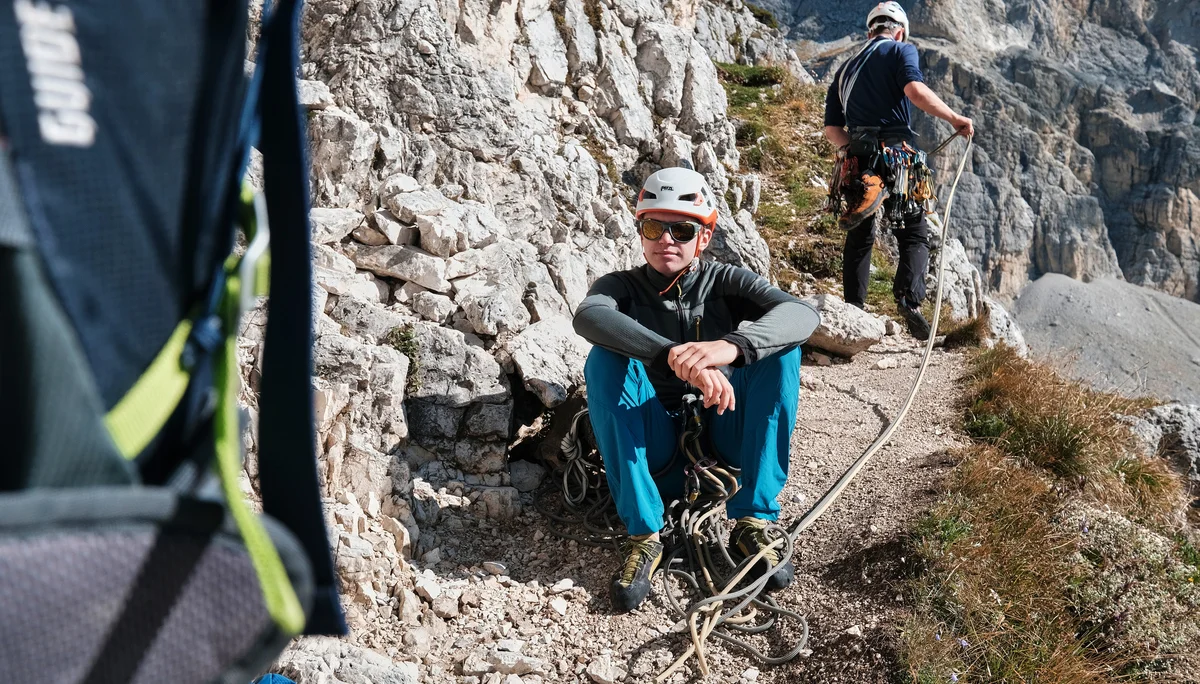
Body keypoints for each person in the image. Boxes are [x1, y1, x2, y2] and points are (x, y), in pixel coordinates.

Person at [572, 167, 821, 612]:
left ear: (703, 237)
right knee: (604, 358)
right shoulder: (620, 288)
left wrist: (730, 347)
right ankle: (645, 534)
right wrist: (673, 356)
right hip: (658, 447)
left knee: (782, 351)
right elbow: (589, 316)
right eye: (653, 226)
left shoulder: (725, 282)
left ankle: (752, 519)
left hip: (724, 439)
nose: (666, 239)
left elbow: (800, 316)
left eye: (682, 229)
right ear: (640, 231)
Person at [823, 1, 975, 340]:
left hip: (859, 155)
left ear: (869, 31)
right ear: (900, 30)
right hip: (898, 155)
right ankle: (909, 299)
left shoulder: (845, 68)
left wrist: (855, 152)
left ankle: (854, 310)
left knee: (860, 234)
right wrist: (955, 119)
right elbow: (915, 91)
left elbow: (833, 128)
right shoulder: (901, 50)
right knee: (913, 232)